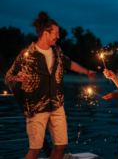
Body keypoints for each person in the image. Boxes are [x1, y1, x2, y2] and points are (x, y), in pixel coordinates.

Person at [5, 11, 97, 159]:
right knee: (35, 149)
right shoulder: (26, 54)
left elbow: (70, 64)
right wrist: (17, 77)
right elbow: (8, 78)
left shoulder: (58, 52)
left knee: (61, 146)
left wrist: (87, 72)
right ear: (45, 33)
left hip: (57, 105)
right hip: (35, 107)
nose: (58, 36)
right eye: (56, 33)